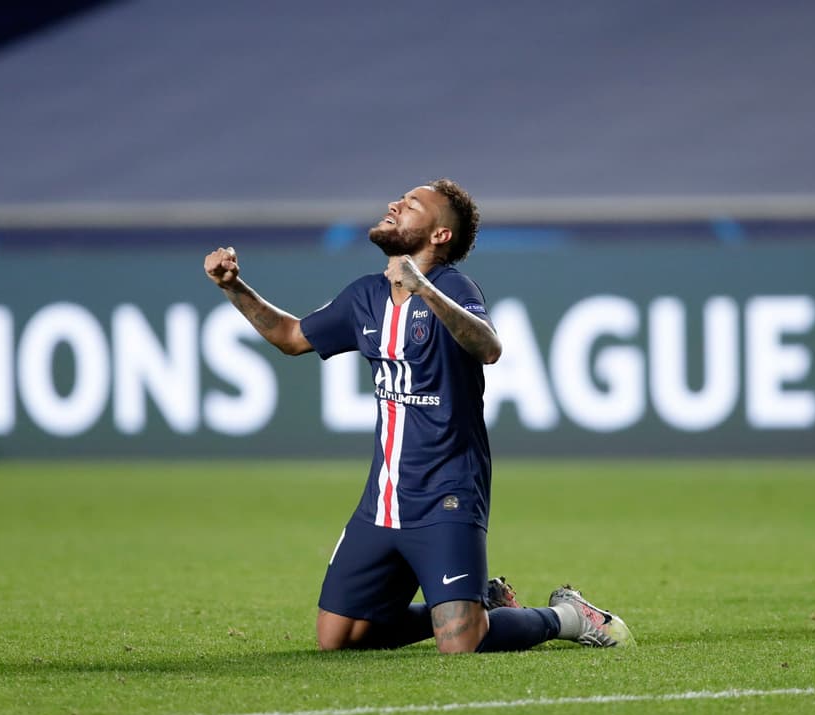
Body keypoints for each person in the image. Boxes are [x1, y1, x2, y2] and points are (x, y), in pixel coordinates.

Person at [204, 178, 633, 653]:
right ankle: (482, 604)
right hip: (382, 501)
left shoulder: (453, 288)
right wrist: (233, 286)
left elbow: (488, 347)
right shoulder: (364, 296)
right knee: (339, 638)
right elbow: (291, 337)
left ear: (439, 236)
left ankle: (568, 616)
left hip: (446, 495)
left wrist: (423, 288)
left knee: (461, 645)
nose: (393, 205)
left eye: (410, 205)